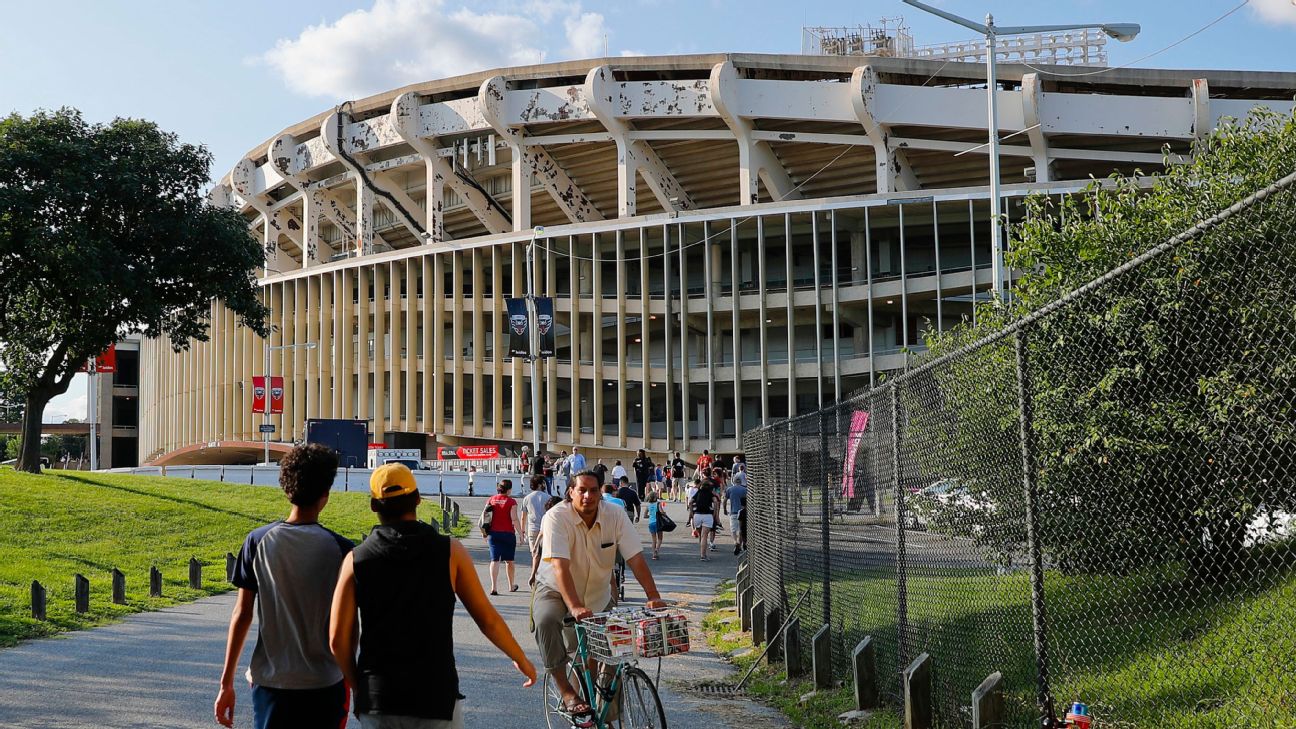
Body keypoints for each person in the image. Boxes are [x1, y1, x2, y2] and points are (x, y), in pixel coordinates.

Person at [329, 463, 537, 729]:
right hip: (436, 696)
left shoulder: (355, 559)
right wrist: (521, 659)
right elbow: (487, 620)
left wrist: (359, 687)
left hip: (379, 697)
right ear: (417, 499)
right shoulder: (451, 552)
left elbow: (337, 638)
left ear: (374, 506)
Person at [215, 444, 353, 729]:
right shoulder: (342, 550)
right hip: (325, 683)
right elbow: (350, 626)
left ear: (286, 488)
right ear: (325, 495)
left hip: (271, 683)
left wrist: (226, 683)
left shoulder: (257, 541)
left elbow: (242, 614)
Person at [531, 471, 667, 724]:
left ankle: (601, 712)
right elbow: (560, 566)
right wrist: (574, 606)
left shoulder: (614, 515)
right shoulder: (556, 517)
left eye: (594, 490)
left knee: (608, 651)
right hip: (556, 589)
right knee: (546, 621)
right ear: (570, 492)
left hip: (598, 593)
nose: (588, 496)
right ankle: (567, 692)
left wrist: (653, 596)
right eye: (582, 490)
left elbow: (635, 558)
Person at [485, 479, 523, 595]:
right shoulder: (511, 502)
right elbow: (514, 519)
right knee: (509, 561)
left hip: (493, 534)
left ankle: (494, 587)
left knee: (494, 560)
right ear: (509, 489)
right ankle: (511, 585)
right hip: (508, 534)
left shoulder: (491, 499)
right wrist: (521, 533)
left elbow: (486, 517)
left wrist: (484, 532)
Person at [688, 478, 720, 562]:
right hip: (707, 515)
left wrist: (691, 512)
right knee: (704, 536)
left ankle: (702, 551)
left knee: (700, 535)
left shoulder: (698, 492)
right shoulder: (710, 493)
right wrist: (715, 513)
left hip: (697, 515)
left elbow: (690, 502)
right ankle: (703, 555)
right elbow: (716, 501)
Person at [519, 474, 551, 553]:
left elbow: (523, 517)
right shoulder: (548, 497)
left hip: (532, 529)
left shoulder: (527, 498)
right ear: (540, 485)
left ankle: (534, 565)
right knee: (545, 554)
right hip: (545, 529)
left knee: (534, 554)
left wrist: (522, 531)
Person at [724, 471, 748, 556]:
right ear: (741, 482)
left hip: (733, 512)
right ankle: (740, 543)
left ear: (734, 481)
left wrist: (724, 509)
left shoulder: (729, 489)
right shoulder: (745, 490)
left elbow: (725, 500)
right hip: (743, 511)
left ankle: (736, 542)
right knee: (741, 529)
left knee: (733, 530)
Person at [644, 491, 667, 560]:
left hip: (651, 523)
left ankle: (654, 554)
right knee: (660, 538)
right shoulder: (658, 504)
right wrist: (664, 514)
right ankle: (657, 549)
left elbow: (645, 516)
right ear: (655, 497)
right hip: (658, 522)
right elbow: (661, 512)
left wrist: (650, 516)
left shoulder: (648, 505)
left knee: (653, 539)